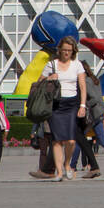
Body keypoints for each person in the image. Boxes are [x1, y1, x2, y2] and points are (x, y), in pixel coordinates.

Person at [41, 36, 88, 182]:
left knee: (71, 141)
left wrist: (82, 105)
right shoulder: (51, 65)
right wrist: (49, 78)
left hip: (71, 104)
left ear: (73, 51)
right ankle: (59, 172)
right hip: (55, 104)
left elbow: (82, 86)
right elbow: (39, 82)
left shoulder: (77, 65)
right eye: (64, 50)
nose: (66, 53)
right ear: (59, 50)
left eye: (69, 50)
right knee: (56, 140)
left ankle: (67, 164)